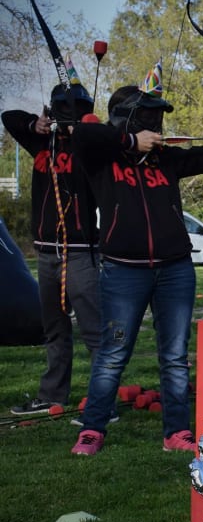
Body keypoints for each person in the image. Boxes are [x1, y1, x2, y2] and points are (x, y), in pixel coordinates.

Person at [69, 61, 203, 456]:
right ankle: (92, 430)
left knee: (174, 357)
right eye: (150, 119)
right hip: (124, 271)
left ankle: (176, 433)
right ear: (128, 121)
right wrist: (128, 143)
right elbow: (85, 133)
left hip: (174, 269)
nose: (159, 127)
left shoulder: (165, 161)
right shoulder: (102, 158)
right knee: (112, 353)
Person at [1, 77, 115, 424]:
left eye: (76, 110)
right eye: (62, 109)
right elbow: (8, 117)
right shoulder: (40, 144)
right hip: (48, 255)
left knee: (94, 330)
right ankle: (52, 396)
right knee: (54, 328)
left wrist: (80, 130)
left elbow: (110, 137)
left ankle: (103, 402)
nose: (68, 116)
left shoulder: (90, 147)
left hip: (80, 253)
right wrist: (35, 123)